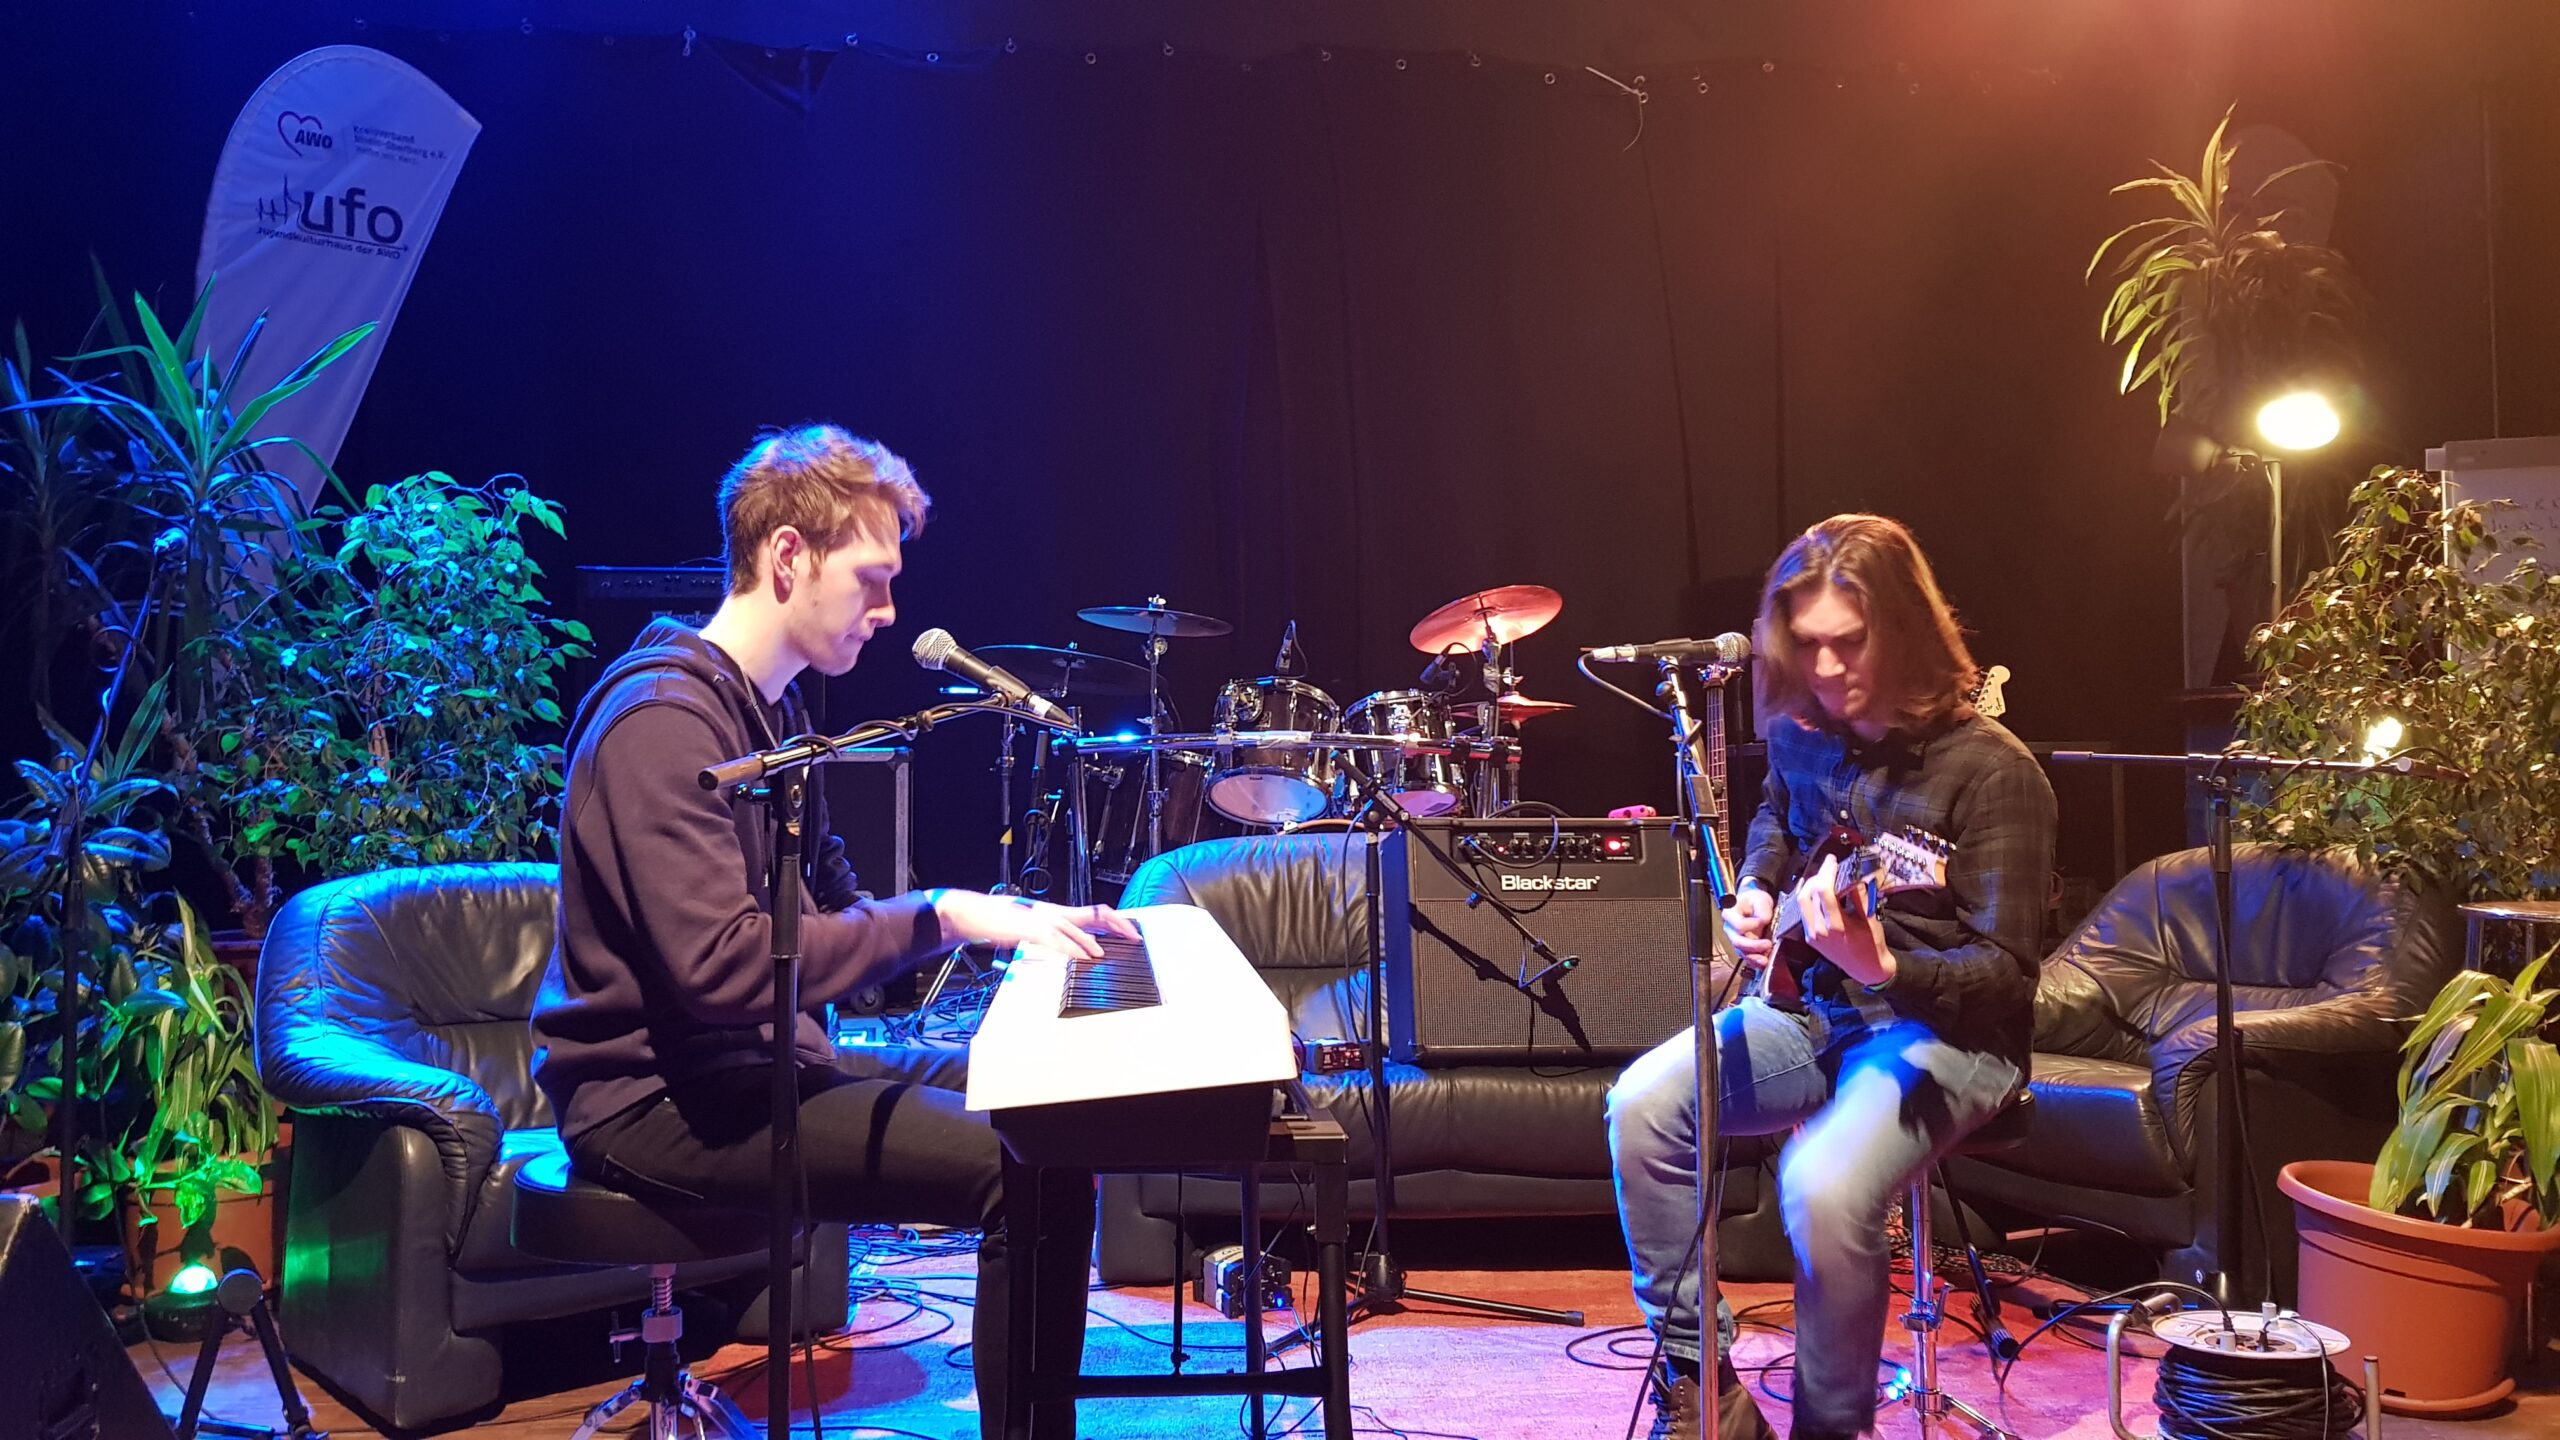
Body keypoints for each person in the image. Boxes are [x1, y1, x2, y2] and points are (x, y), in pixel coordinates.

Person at [533, 424, 1128, 1439]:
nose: (891, 614)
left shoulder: (767, 723)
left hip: (757, 1069)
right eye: (872, 579)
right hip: (659, 1104)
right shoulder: (661, 724)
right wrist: (939, 914)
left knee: (1050, 1120)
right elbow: (723, 972)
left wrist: (1007, 932)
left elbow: (835, 935)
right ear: (787, 558)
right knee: (1011, 1165)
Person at [1607, 514, 2056, 1440]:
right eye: (1804, 645)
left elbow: (2008, 978)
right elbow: (1776, 811)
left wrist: (1889, 964)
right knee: (1644, 1106)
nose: (1822, 669)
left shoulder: (1995, 775)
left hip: (1952, 1042)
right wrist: (1759, 889)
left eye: (1847, 644)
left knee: (1821, 1181)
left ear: (1906, 632)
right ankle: (1706, 1392)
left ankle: (1830, 1427)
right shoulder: (1807, 735)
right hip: (1817, 1016)